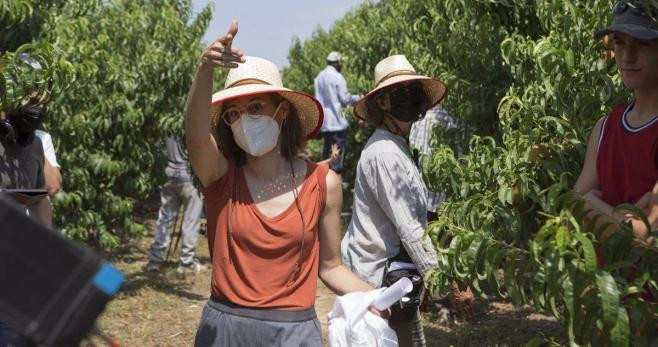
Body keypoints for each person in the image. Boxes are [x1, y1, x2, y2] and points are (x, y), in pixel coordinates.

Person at [185, 21, 384, 346]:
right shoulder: (222, 178)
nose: (244, 119)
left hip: (292, 334)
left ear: (281, 112)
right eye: (233, 114)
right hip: (227, 332)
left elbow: (331, 266)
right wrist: (204, 69)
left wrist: (378, 297)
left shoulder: (323, 183)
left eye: (255, 108)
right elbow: (195, 137)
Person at [341, 54, 445, 347]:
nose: (409, 98)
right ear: (383, 103)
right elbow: (410, 228)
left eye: (413, 91)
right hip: (379, 285)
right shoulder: (386, 152)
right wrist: (441, 282)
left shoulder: (397, 146)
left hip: (395, 281)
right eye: (400, 93)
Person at [574, 0, 658, 335]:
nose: (626, 56)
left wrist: (594, 203)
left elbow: (643, 239)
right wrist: (619, 219)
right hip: (610, 309)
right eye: (620, 43)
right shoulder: (606, 126)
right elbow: (572, 209)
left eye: (642, 45)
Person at [146, 136, 205, 274]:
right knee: (191, 221)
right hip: (190, 177)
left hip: (168, 175)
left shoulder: (168, 121)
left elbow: (158, 149)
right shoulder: (193, 121)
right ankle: (186, 262)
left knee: (165, 219)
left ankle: (155, 260)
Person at [314, 51, 360, 178]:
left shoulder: (319, 77)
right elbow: (344, 99)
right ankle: (335, 185)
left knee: (327, 153)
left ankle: (324, 182)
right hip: (337, 121)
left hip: (325, 122)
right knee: (337, 157)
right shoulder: (337, 77)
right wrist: (359, 97)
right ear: (338, 63)